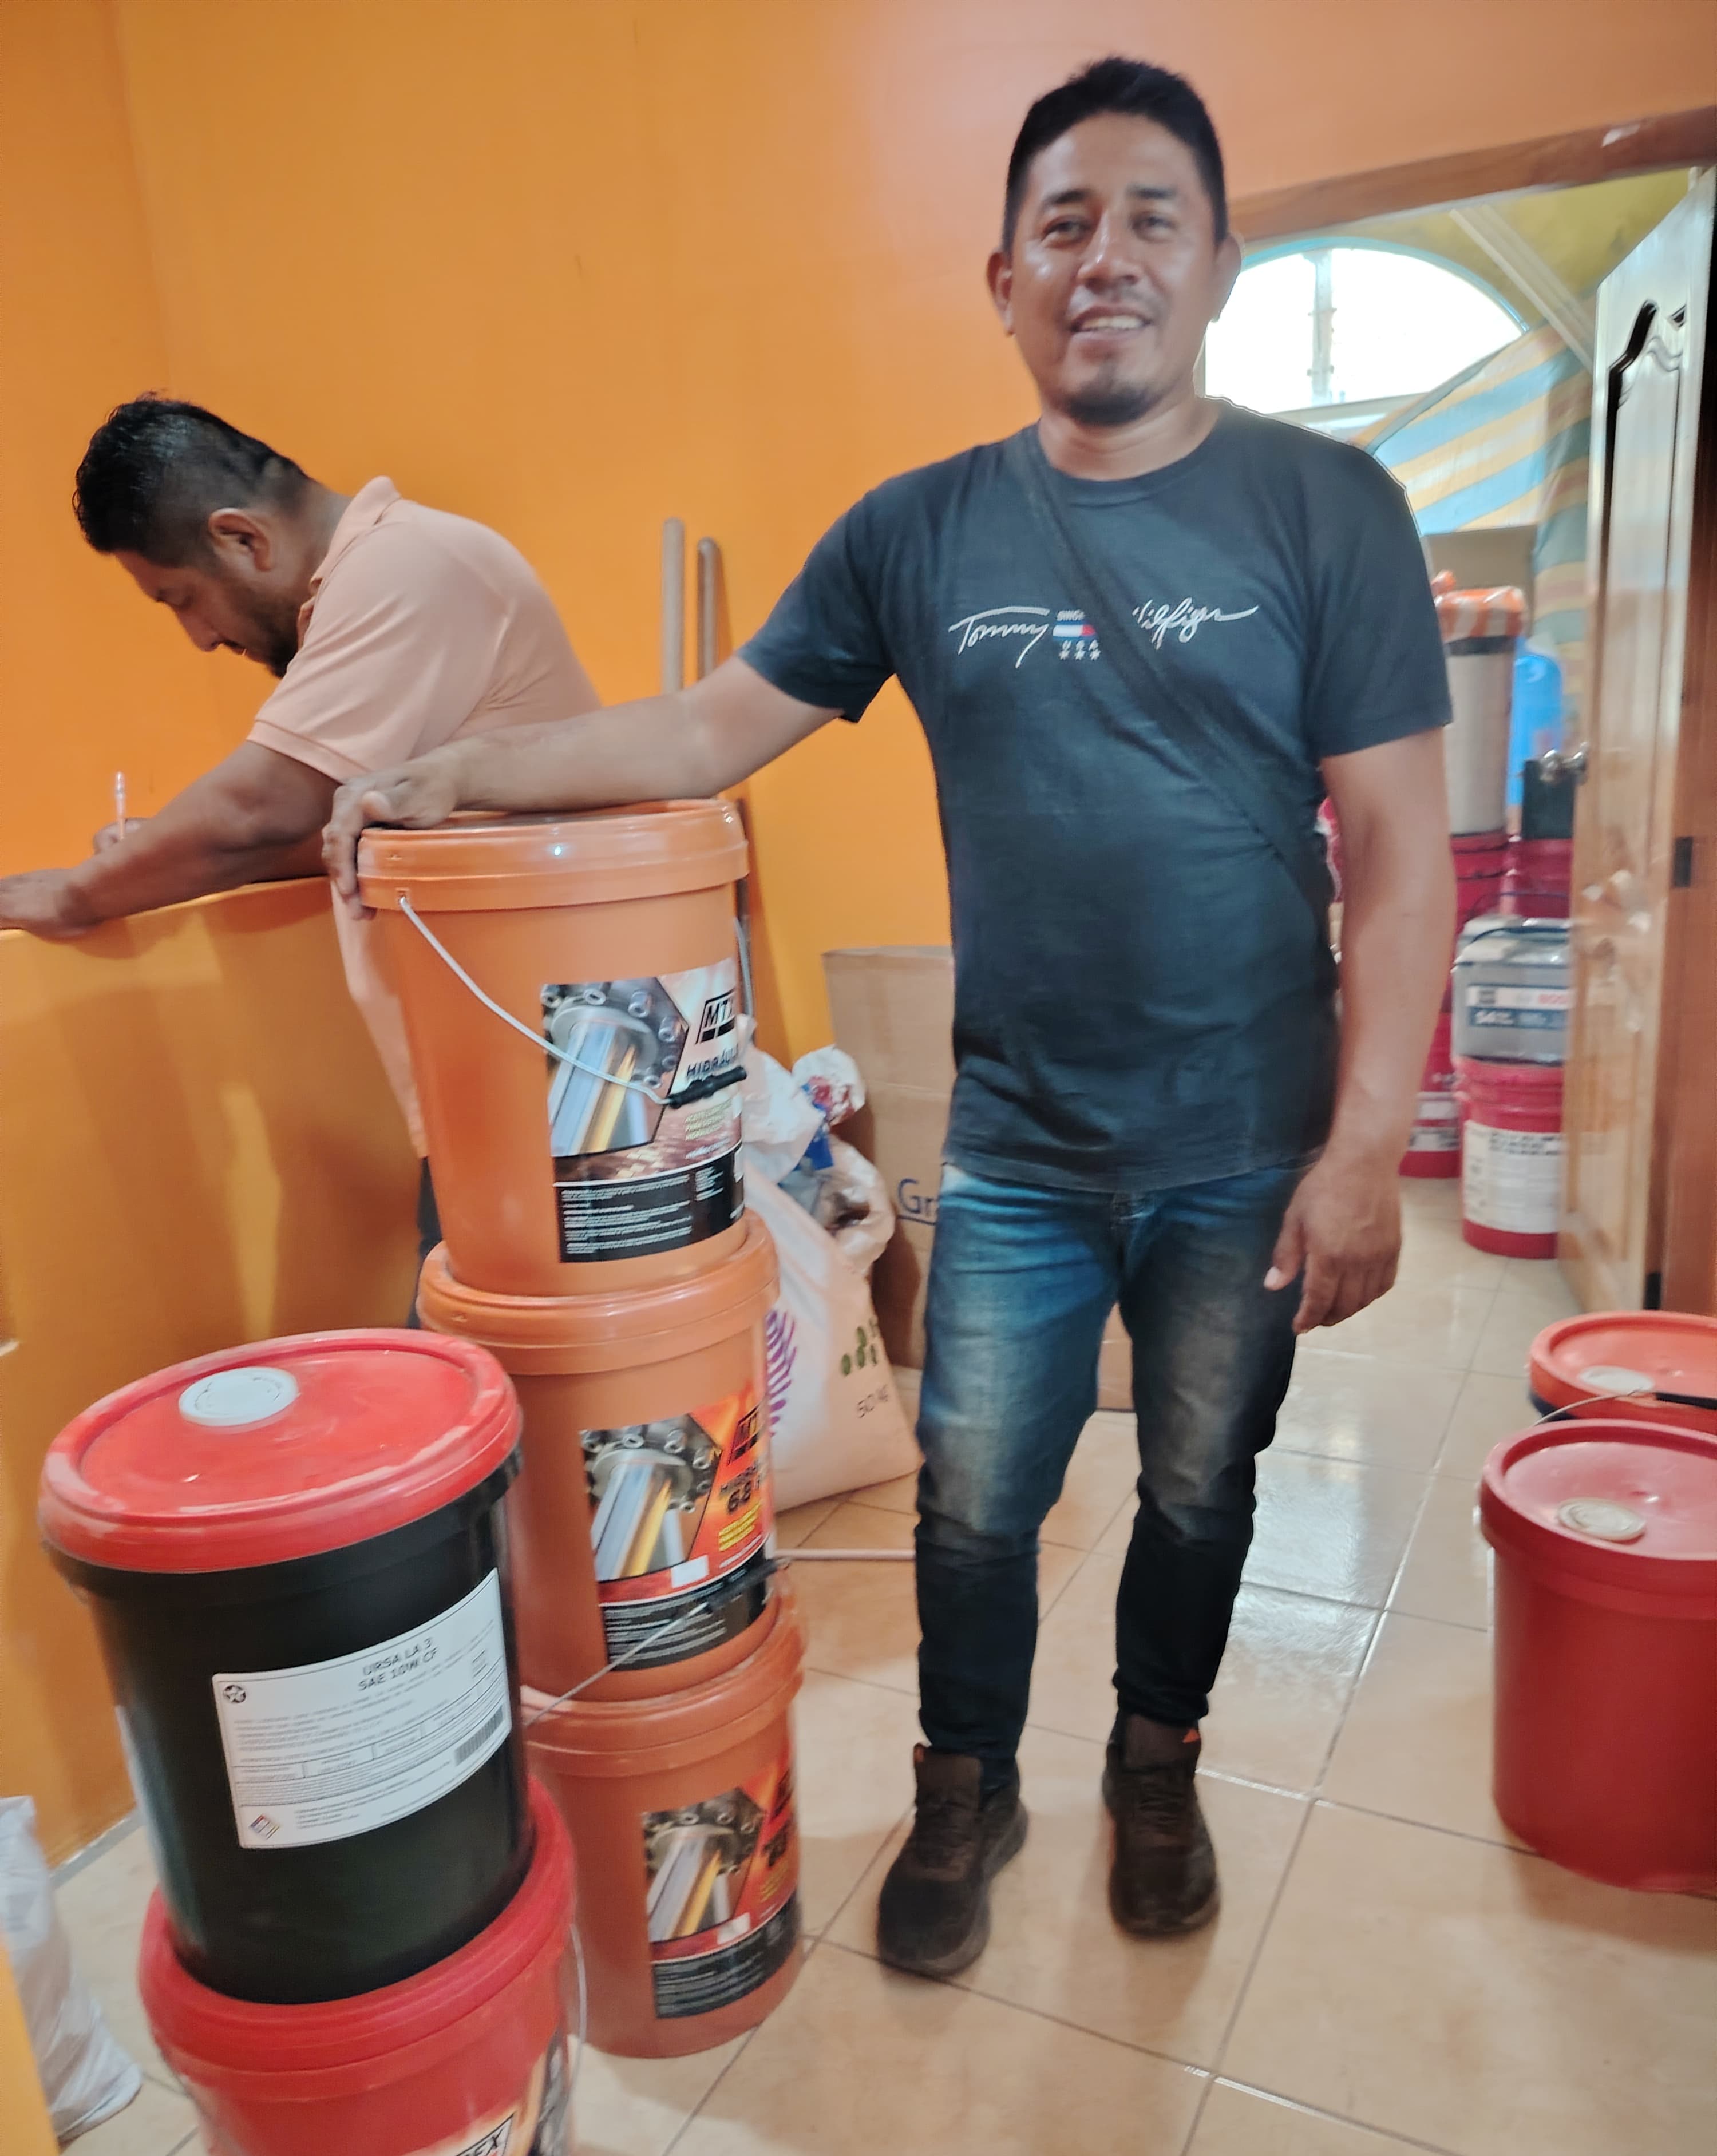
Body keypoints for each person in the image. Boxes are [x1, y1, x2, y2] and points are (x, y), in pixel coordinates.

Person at [324, 57, 1455, 1976]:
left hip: (1249, 1144)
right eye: (1064, 225)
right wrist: (460, 769)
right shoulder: (917, 532)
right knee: (977, 1503)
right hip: (1017, 1140)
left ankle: (1158, 1766)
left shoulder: (1327, 507)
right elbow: (705, 730)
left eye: (1153, 220)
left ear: (1220, 264)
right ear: (1003, 280)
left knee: (1200, 1489)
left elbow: (1405, 854)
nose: (1106, 259)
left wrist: (1363, 1154)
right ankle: (965, 1786)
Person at [0, 396, 599, 1267]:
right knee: (480, 1323)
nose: (199, 637)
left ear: (243, 539)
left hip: (556, 1067)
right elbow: (343, 826)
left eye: (182, 599)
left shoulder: (405, 569)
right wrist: (162, 853)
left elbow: (260, 811)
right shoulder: (374, 581)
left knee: (525, 1333)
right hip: (506, 1069)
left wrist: (73, 895)